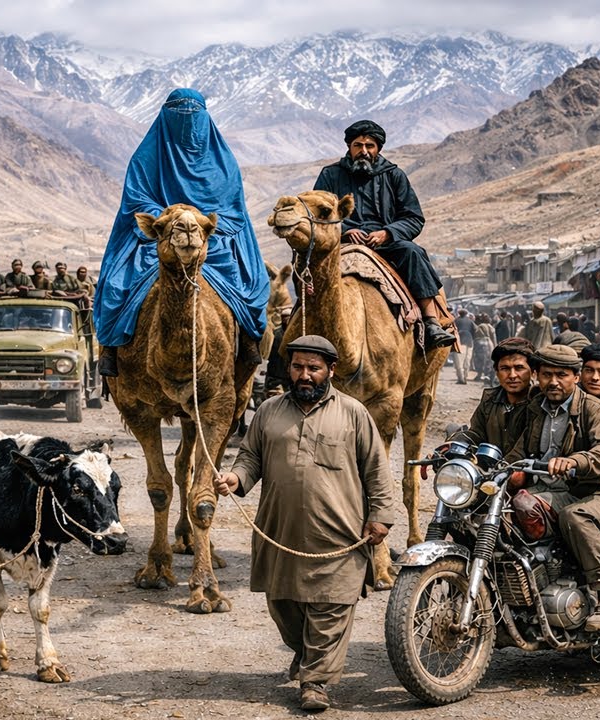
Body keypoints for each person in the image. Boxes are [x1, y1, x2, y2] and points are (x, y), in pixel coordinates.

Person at [213, 335, 394, 712]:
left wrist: (380, 516)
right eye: (297, 367)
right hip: (279, 532)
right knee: (283, 604)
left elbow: (376, 469)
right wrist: (236, 478)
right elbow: (250, 457)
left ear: (331, 370)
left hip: (339, 533)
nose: (305, 375)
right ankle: (305, 653)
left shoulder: (353, 413)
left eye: (314, 368)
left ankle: (315, 681)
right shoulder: (268, 411)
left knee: (331, 606)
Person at [95, 88, 270, 377]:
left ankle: (248, 337)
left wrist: (199, 222)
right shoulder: (145, 158)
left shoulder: (223, 162)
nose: (187, 119)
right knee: (116, 285)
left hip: (211, 237)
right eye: (178, 111)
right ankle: (111, 347)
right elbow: (136, 200)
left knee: (249, 282)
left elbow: (231, 208)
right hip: (161, 234)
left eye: (193, 113)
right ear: (166, 116)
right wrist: (172, 217)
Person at [504, 344, 600, 632]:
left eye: (561, 375)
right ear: (537, 376)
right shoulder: (535, 409)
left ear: (576, 377)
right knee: (497, 510)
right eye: (547, 374)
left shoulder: (595, 410)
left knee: (574, 516)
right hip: (550, 490)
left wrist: (575, 461)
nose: (553, 382)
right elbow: (517, 453)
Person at [312, 120, 453, 350]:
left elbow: (413, 217)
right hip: (341, 243)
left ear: (378, 148)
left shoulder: (394, 175)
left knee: (413, 252)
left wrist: (388, 233)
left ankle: (432, 322)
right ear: (349, 147)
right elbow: (318, 214)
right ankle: (300, 319)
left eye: (370, 145)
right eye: (358, 145)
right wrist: (345, 231)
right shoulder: (330, 175)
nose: (364, 151)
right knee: (308, 263)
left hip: (386, 245)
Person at [450, 337, 535, 453]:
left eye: (519, 368)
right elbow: (477, 434)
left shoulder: (538, 404)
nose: (512, 375)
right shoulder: (490, 399)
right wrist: (454, 444)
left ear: (533, 372)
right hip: (489, 463)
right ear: (497, 372)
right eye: (505, 368)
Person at [471, 313, 497, 384]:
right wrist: (494, 346)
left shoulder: (480, 326)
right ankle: (487, 375)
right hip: (489, 343)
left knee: (479, 360)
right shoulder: (491, 327)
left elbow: (477, 336)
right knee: (488, 360)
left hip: (481, 343)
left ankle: (479, 375)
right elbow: (493, 338)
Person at [452, 309, 475, 385]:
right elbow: (475, 331)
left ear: (459, 314)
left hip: (459, 343)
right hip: (469, 343)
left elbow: (452, 331)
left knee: (459, 362)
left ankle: (461, 379)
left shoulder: (456, 321)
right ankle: (465, 377)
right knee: (467, 361)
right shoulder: (470, 321)